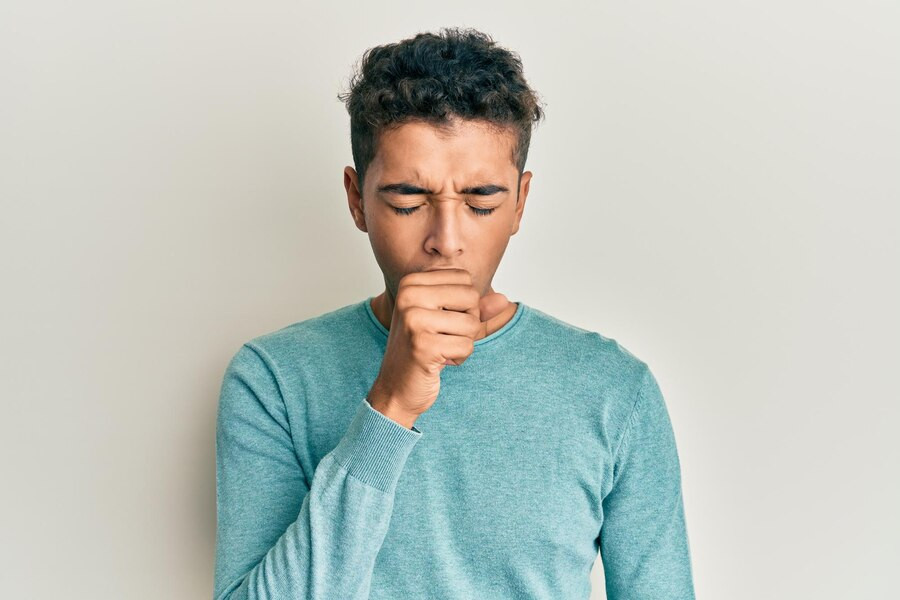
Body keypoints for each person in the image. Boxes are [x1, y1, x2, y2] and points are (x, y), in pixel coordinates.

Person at [213, 26, 695, 600]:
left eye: (481, 201)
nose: (446, 240)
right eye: (407, 201)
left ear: (520, 203)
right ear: (356, 200)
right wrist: (390, 407)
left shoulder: (614, 389)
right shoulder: (273, 379)